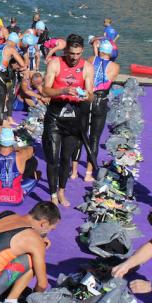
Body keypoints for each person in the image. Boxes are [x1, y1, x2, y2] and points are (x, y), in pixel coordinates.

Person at [41, 34, 94, 207]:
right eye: (71, 53)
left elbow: (91, 95)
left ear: (82, 52)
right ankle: (53, 194)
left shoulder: (87, 67)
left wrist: (87, 95)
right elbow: (45, 91)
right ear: (66, 51)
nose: (74, 58)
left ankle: (62, 191)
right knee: (53, 158)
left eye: (78, 54)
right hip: (56, 115)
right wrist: (63, 90)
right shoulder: (55, 63)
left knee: (66, 159)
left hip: (74, 117)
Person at [76, 39, 120, 182]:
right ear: (111, 52)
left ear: (100, 50)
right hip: (100, 101)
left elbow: (91, 70)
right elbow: (106, 81)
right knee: (94, 138)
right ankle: (88, 174)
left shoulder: (90, 59)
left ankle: (73, 171)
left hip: (86, 98)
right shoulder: (115, 66)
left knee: (80, 135)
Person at [0, 128, 38, 205]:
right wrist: (16, 147)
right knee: (33, 161)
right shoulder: (22, 156)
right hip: (17, 199)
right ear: (12, 141)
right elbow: (31, 148)